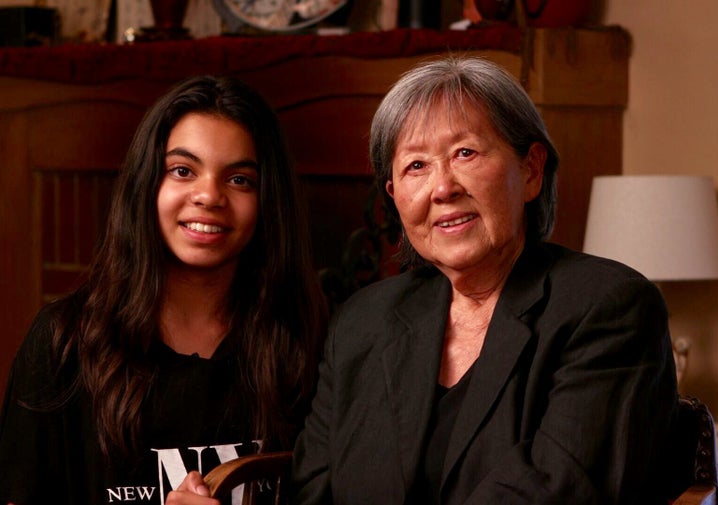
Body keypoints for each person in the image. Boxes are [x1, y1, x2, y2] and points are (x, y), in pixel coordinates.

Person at [291, 56, 679, 504]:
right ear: (394, 198)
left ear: (531, 170)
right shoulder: (363, 321)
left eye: (465, 153)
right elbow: (311, 490)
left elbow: (558, 490)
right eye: (416, 166)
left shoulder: (609, 308)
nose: (442, 188)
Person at [0, 75, 327, 505]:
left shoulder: (310, 340)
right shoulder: (63, 343)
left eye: (240, 179)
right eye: (182, 170)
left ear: (269, 201)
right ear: (147, 185)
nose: (209, 195)